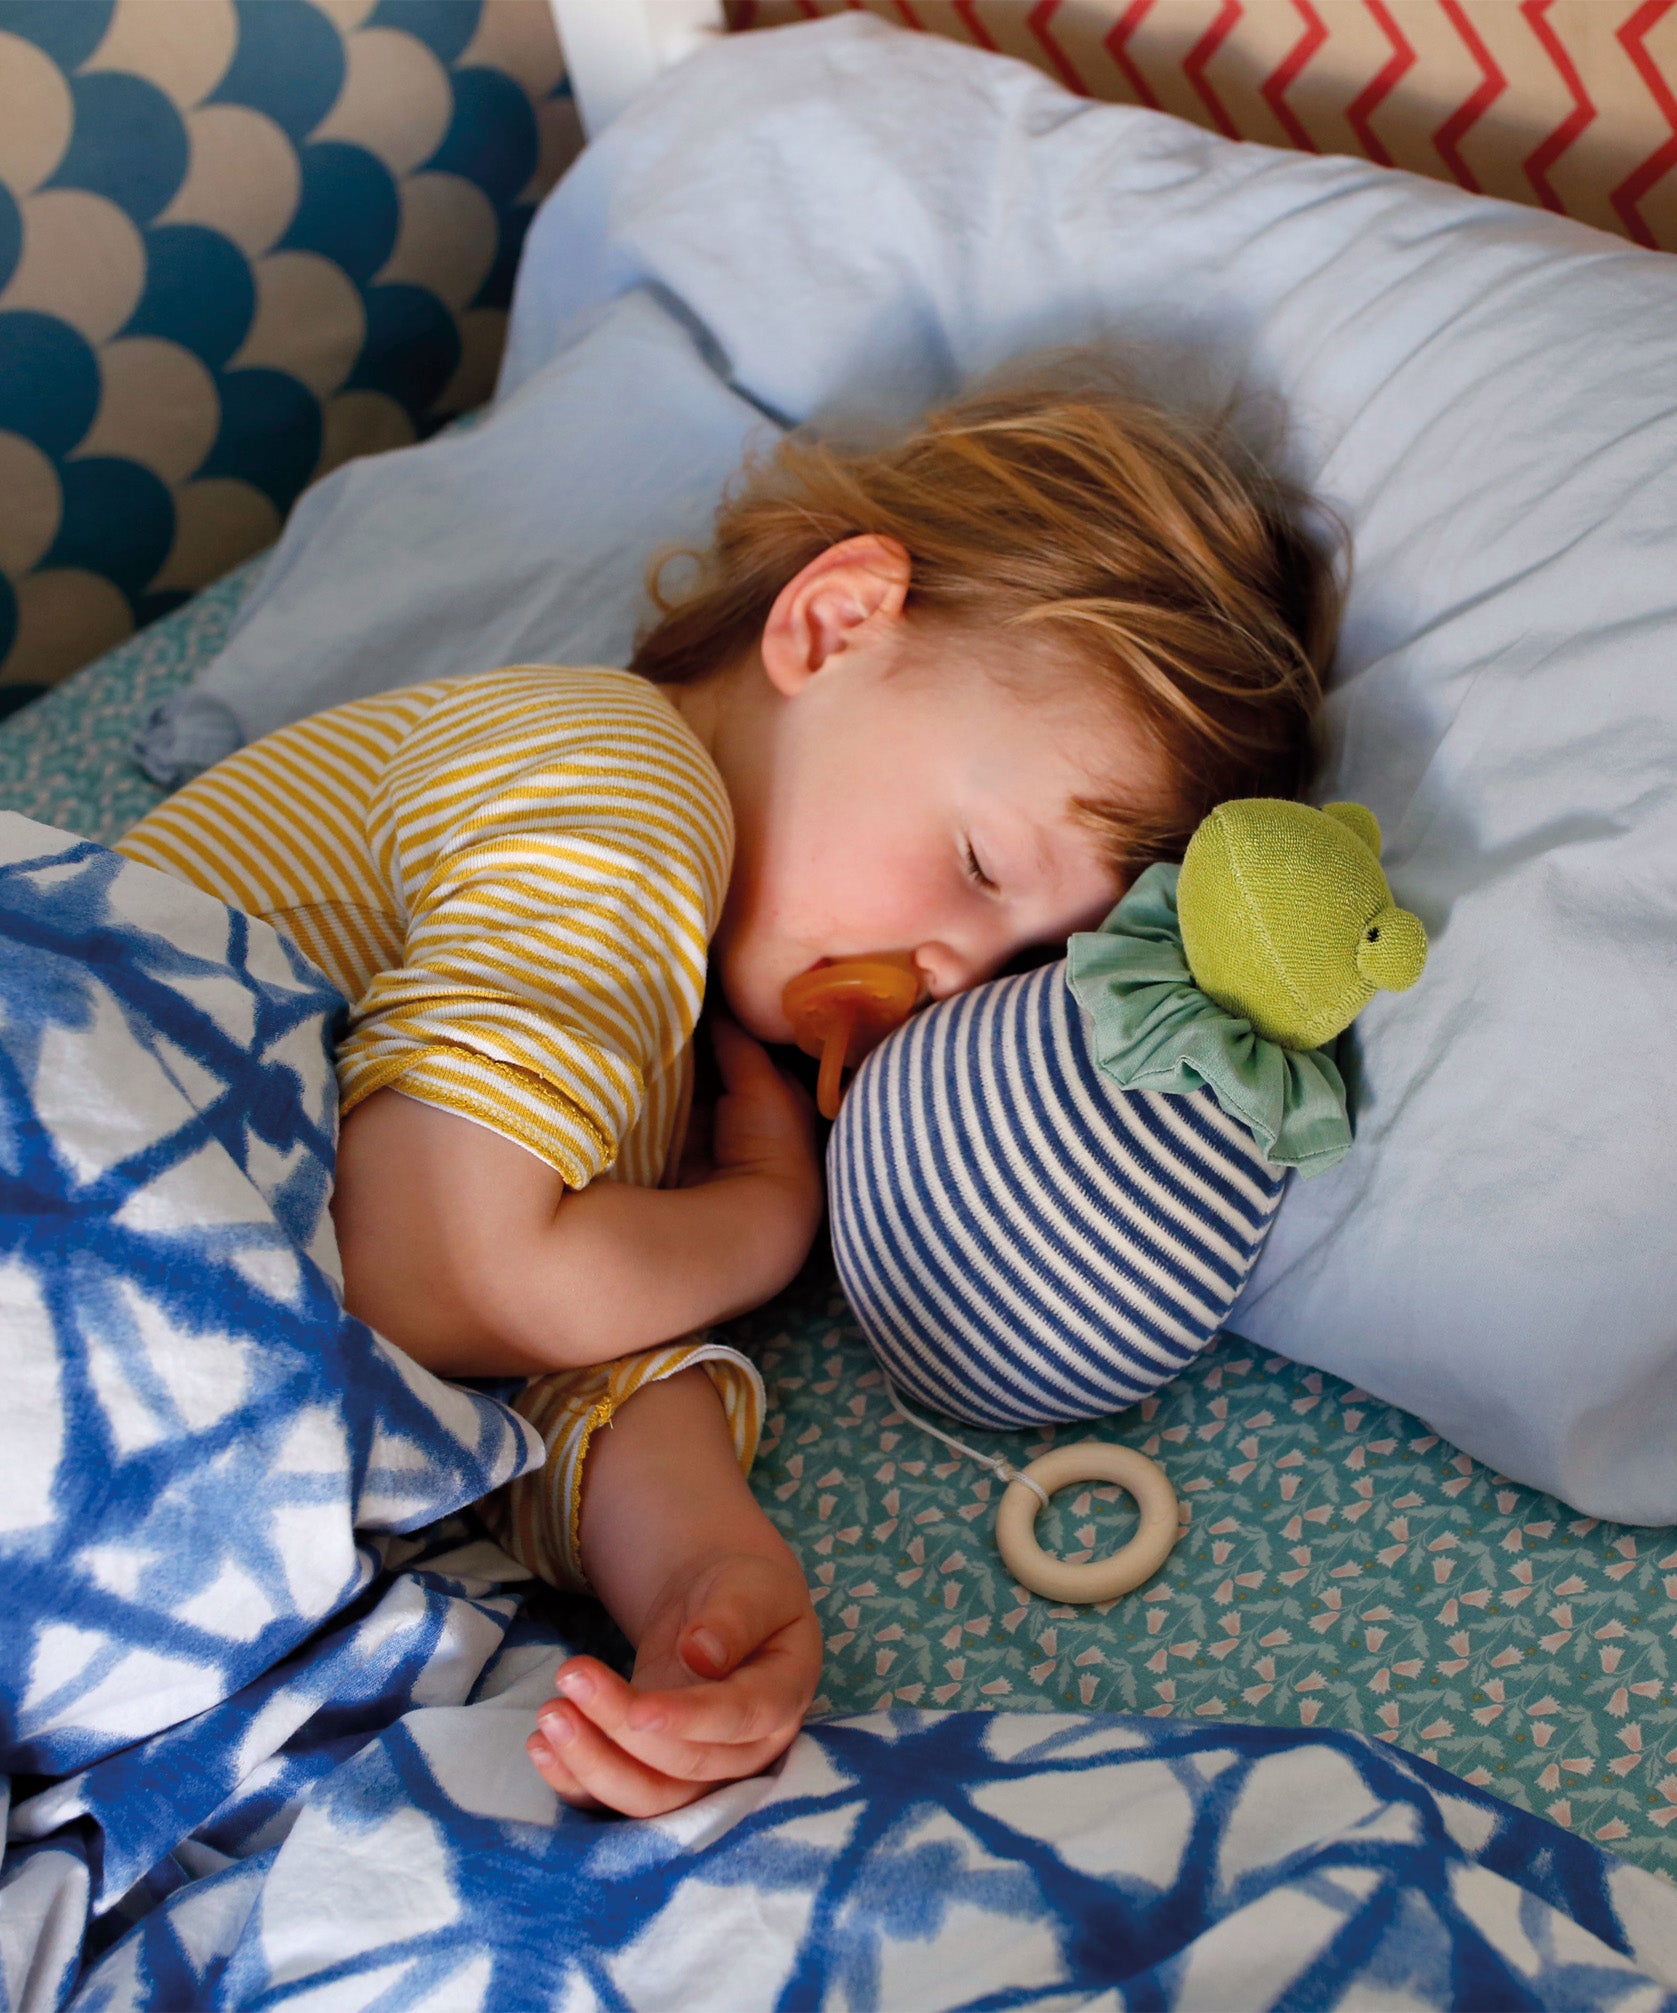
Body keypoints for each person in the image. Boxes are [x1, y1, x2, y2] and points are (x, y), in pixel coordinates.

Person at [117, 362, 1333, 1818]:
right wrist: (759, 1224)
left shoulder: (676, 1062)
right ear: (833, 625)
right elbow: (438, 1269)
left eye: (1026, 957)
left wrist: (704, 1575)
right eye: (979, 868)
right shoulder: (613, 791)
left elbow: (539, 1359)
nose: (954, 972)